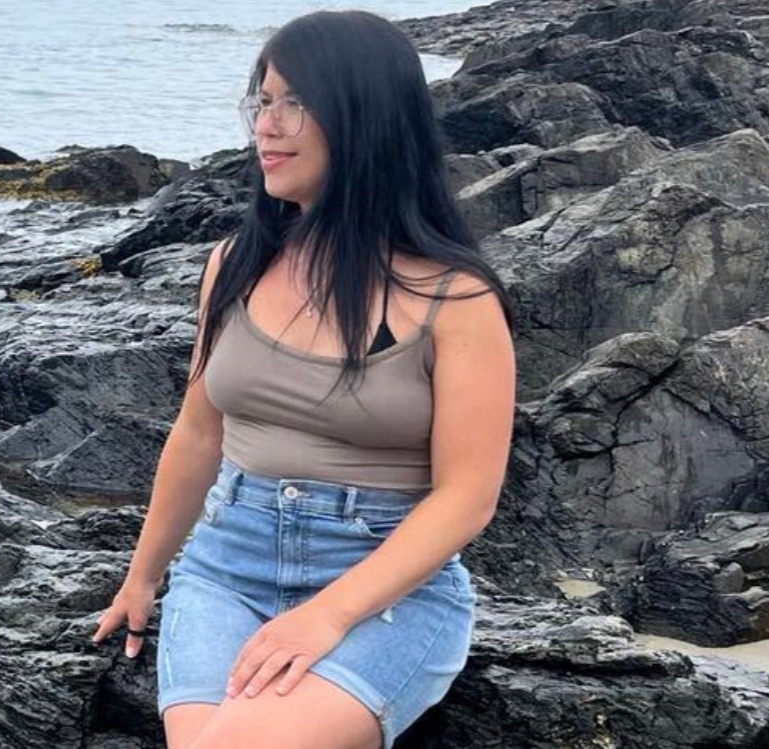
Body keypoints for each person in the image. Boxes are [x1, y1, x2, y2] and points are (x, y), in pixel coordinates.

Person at [90, 10, 516, 749]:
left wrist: (327, 615)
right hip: (226, 567)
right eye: (262, 100)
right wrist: (143, 576)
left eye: (296, 102)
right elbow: (198, 433)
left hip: (385, 587)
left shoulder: (455, 298)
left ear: (365, 118)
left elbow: (466, 497)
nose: (268, 125)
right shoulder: (235, 263)